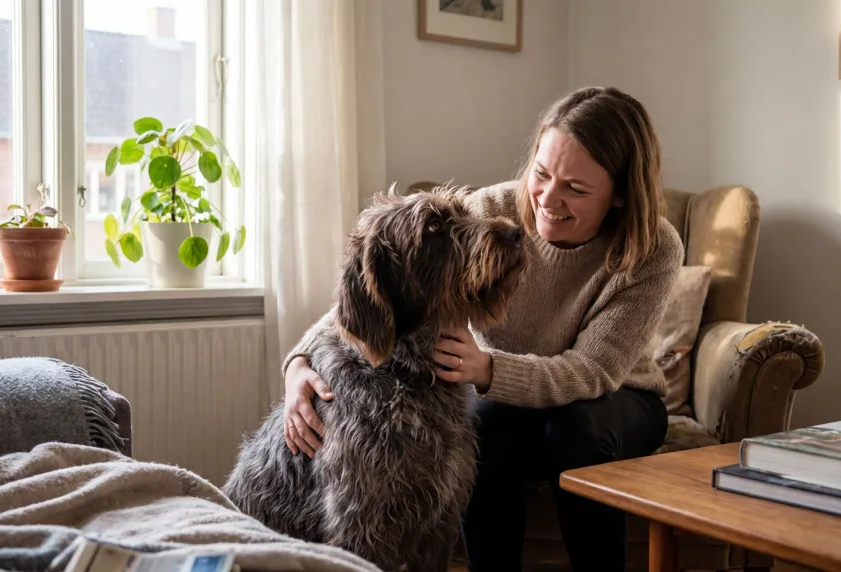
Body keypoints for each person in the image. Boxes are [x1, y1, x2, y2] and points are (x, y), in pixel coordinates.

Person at [278, 86, 683, 572]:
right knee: (480, 428)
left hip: (615, 399)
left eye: (575, 188)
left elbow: (592, 371)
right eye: (542, 174)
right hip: (500, 391)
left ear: (620, 194)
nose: (547, 200)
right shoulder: (491, 209)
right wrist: (298, 363)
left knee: (577, 430)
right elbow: (378, 286)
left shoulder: (653, 247)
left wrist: (488, 368)